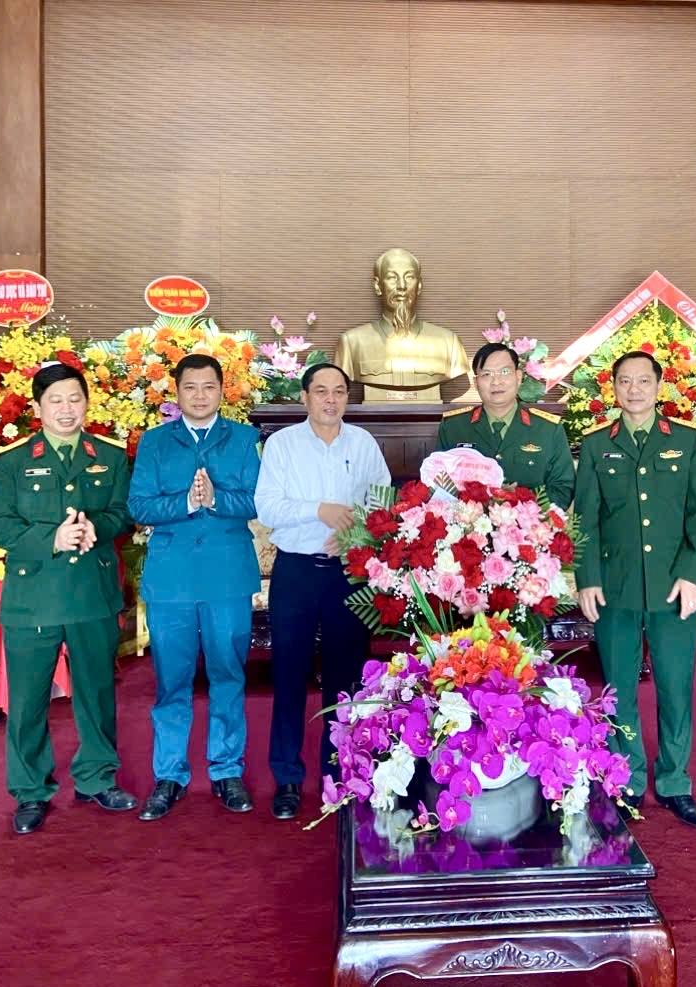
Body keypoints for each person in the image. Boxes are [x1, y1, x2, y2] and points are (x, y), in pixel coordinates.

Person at [0, 363, 136, 835]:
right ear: (37, 407)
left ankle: (97, 778)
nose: (66, 409)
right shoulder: (12, 461)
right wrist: (52, 538)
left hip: (92, 593)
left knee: (97, 693)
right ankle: (30, 790)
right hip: (33, 598)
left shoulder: (109, 456)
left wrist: (96, 527)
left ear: (87, 402)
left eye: (74, 399)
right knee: (28, 701)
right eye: (55, 401)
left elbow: (123, 512)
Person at [575, 350, 696, 828]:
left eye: (643, 381)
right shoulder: (597, 445)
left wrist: (693, 574)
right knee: (619, 689)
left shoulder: (687, 441)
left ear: (659, 386)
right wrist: (587, 578)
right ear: (613, 388)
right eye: (624, 381)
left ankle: (675, 782)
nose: (634, 390)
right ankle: (627, 780)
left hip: (674, 586)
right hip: (615, 587)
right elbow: (585, 520)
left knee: (675, 687)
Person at [255, 362, 390, 819]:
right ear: (305, 397)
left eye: (338, 392)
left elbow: (382, 505)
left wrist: (356, 533)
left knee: (346, 679)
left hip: (347, 573)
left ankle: (341, 773)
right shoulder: (282, 444)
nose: (330, 400)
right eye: (321, 391)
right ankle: (287, 779)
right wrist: (320, 511)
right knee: (289, 674)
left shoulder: (363, 443)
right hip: (296, 571)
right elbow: (267, 506)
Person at [128, 354, 260, 820]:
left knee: (228, 674)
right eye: (190, 387)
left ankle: (227, 770)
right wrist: (184, 502)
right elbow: (139, 506)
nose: (200, 395)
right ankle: (169, 775)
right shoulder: (155, 442)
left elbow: (258, 500)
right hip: (172, 579)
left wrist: (218, 498)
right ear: (177, 392)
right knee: (172, 681)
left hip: (227, 576)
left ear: (223, 391)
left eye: (208, 387)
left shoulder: (244, 438)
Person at [436, 342, 575, 510]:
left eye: (504, 372)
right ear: (476, 382)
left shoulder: (548, 429)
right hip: (469, 524)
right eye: (486, 374)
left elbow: (563, 489)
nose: (496, 382)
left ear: (518, 377)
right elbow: (439, 485)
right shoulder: (453, 427)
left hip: (530, 524)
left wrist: (521, 510)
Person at [334, 247, 471, 402]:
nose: (402, 286)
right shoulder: (351, 343)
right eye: (392, 277)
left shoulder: (448, 343)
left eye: (409, 277)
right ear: (378, 286)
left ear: (419, 285)